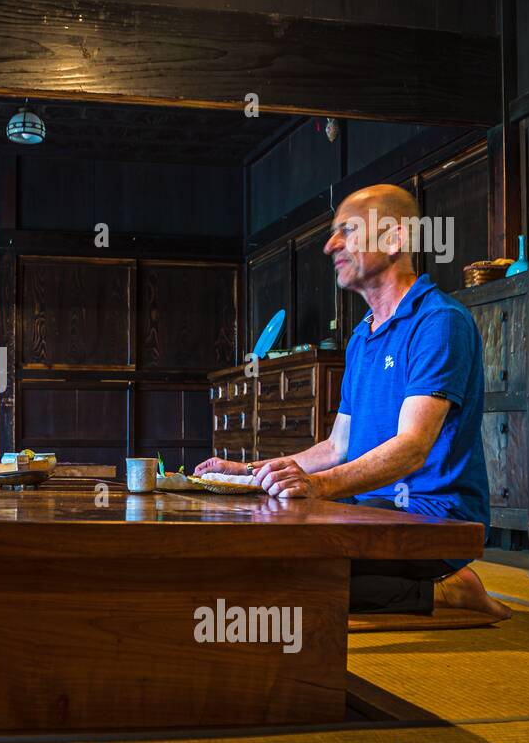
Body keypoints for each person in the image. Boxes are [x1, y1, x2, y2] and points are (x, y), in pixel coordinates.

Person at [196, 184, 510, 619]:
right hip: (367, 510)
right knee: (244, 553)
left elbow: (413, 446)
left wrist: (319, 487)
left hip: (431, 517)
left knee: (282, 580)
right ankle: (424, 589)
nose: (330, 245)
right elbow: (337, 447)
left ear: (394, 239)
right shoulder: (362, 335)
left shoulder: (439, 321)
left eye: (347, 230)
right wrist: (253, 472)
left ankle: (449, 589)